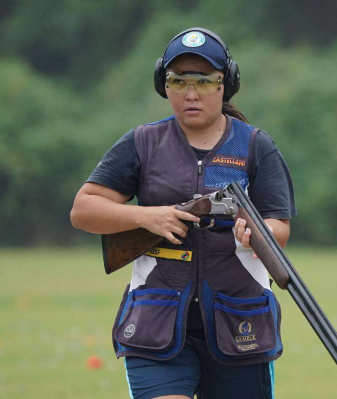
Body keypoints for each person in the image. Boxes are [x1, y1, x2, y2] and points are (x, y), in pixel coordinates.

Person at [70, 27, 296, 399]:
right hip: (156, 319)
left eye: (205, 82)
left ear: (227, 84)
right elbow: (84, 209)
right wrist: (147, 217)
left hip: (240, 320)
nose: (191, 94)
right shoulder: (142, 142)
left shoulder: (256, 145)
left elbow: (279, 226)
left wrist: (255, 231)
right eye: (178, 81)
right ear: (165, 85)